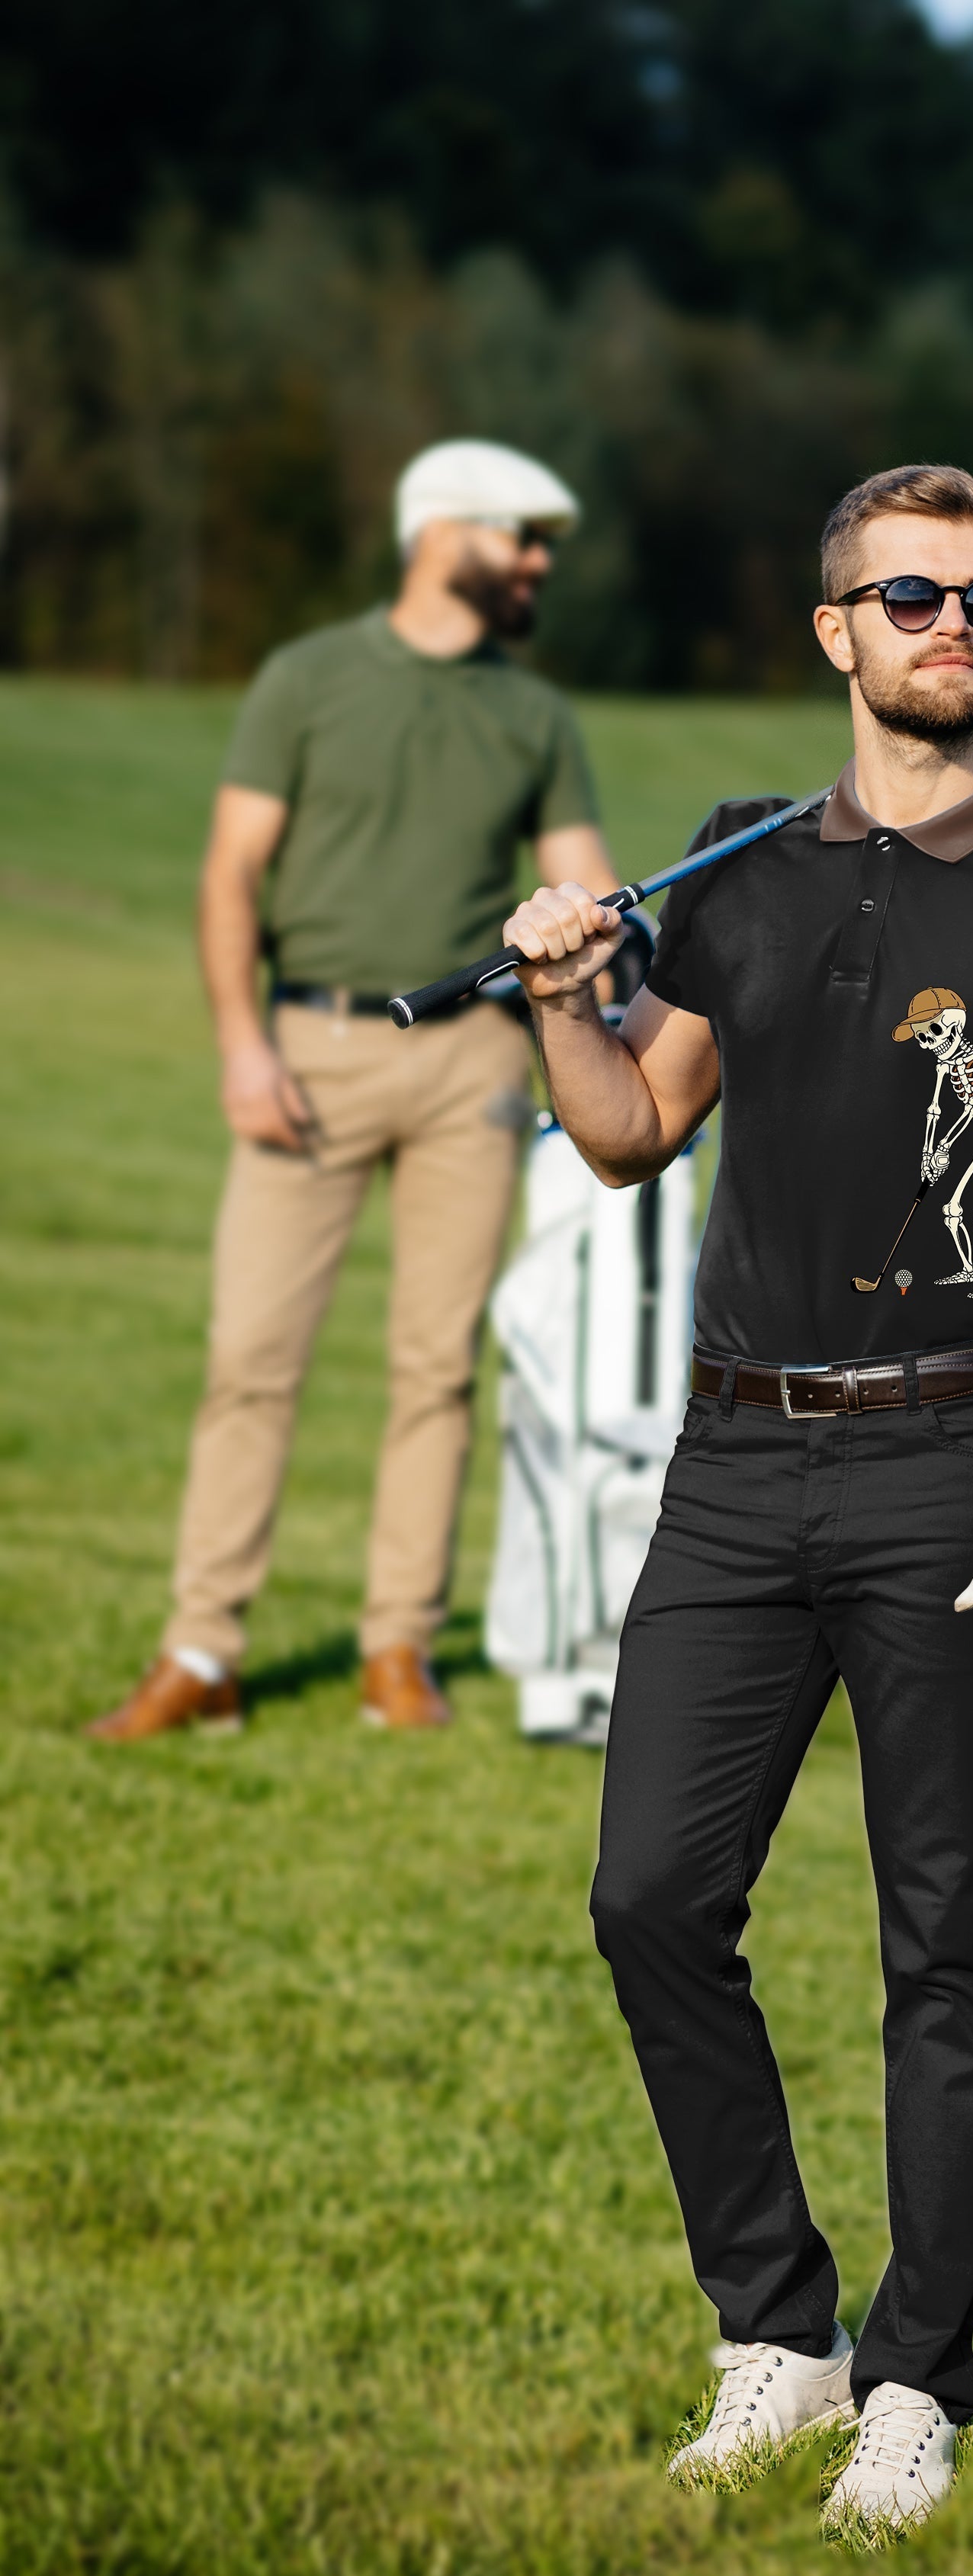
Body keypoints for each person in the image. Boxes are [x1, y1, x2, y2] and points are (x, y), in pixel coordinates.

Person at [499, 463, 973, 2542]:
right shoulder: (736, 866)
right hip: (733, 1458)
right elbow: (629, 1132)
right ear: (837, 633)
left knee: (943, 1930)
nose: (954, 624)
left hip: (955, 1456)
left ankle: (915, 2380)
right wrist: (561, 997)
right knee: (649, 1895)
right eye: (910, 596)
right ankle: (776, 2329)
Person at [85, 439, 615, 1742]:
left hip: (474, 1065)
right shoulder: (306, 678)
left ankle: (397, 1651)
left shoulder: (536, 715)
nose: (539, 563)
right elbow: (231, 874)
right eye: (521, 537)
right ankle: (202, 1650)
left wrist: (616, 953)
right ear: (441, 533)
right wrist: (241, 1046)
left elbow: (592, 886)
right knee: (250, 1358)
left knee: (436, 1367)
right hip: (308, 1049)